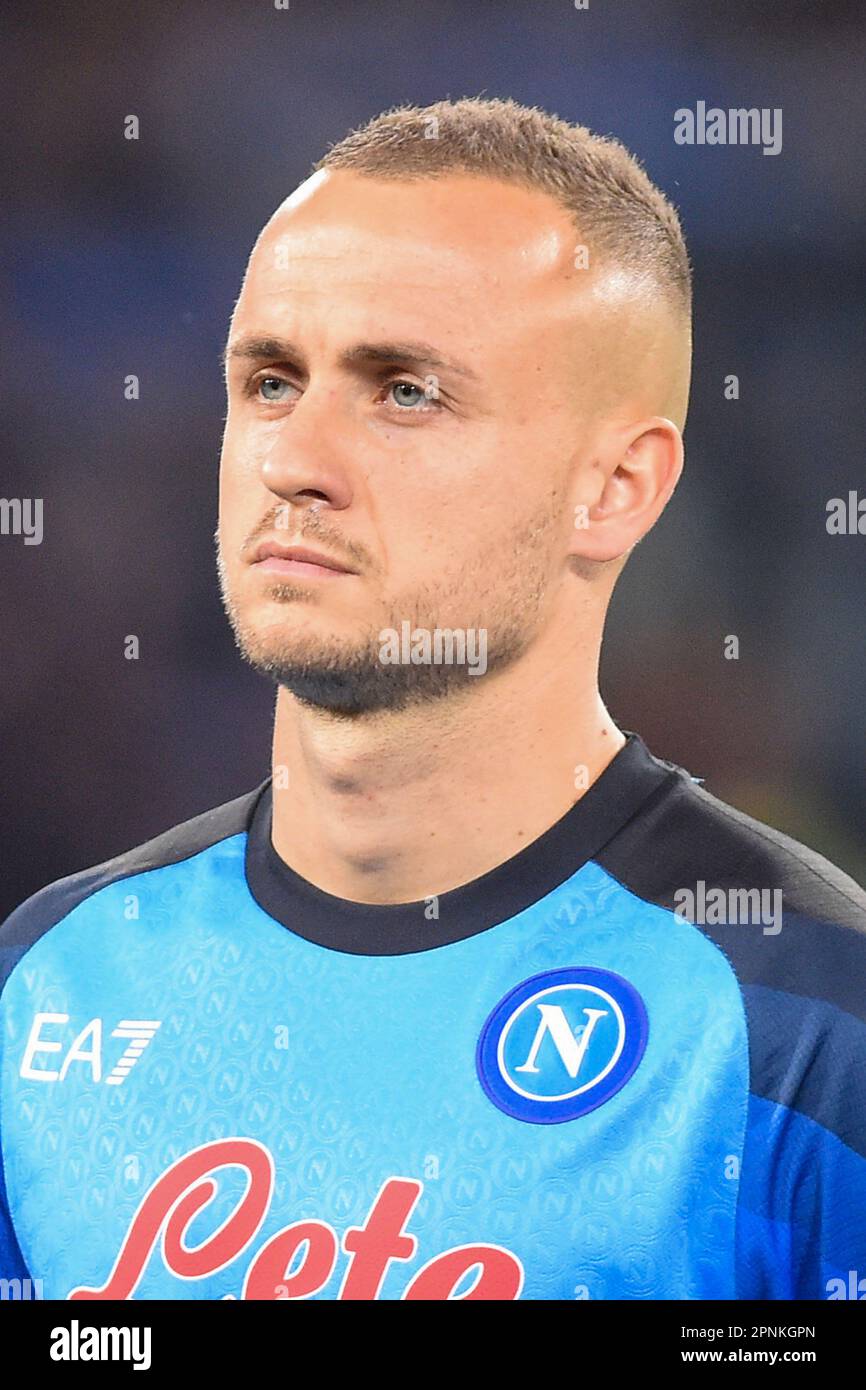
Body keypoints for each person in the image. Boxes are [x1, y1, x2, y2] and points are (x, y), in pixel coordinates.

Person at [2, 97, 864, 1302]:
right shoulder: (46, 985)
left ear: (612, 487)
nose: (293, 460)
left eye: (404, 391)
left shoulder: (804, 1026)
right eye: (268, 380)